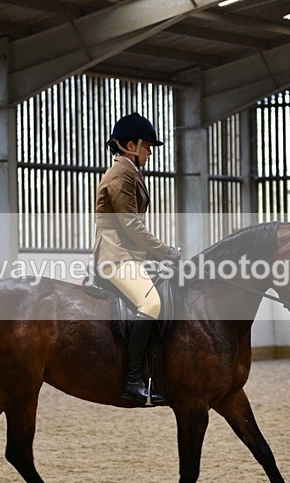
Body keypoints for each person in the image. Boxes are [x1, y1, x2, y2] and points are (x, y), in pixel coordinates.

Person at [93, 113, 181, 405]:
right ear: (131, 145)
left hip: (130, 254)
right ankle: (132, 380)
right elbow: (130, 224)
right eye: (147, 146)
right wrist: (165, 251)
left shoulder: (130, 171)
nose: (151, 151)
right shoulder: (121, 173)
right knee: (151, 303)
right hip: (116, 256)